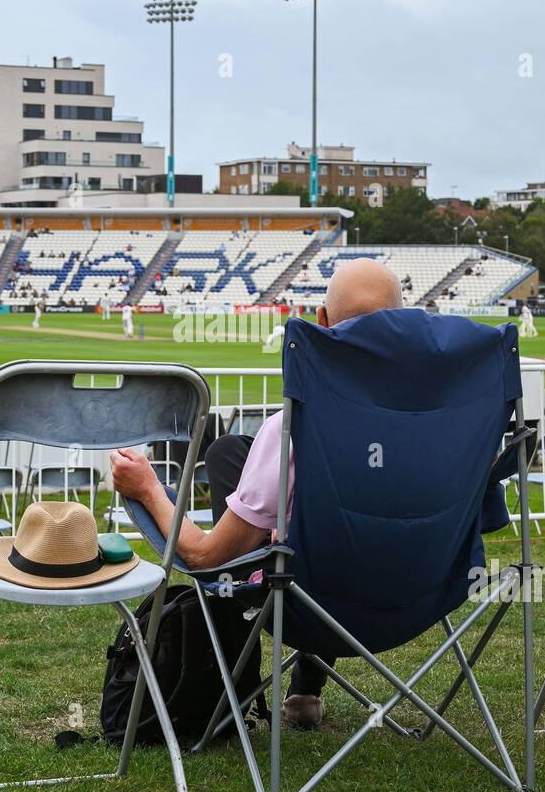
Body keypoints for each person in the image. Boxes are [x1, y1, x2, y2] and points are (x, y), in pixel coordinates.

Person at [110, 258, 403, 731]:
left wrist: (147, 488)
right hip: (417, 593)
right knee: (229, 452)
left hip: (311, 601)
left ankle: (231, 670)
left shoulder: (293, 428)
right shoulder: (453, 423)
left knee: (255, 538)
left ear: (321, 324)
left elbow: (203, 558)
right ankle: (306, 679)